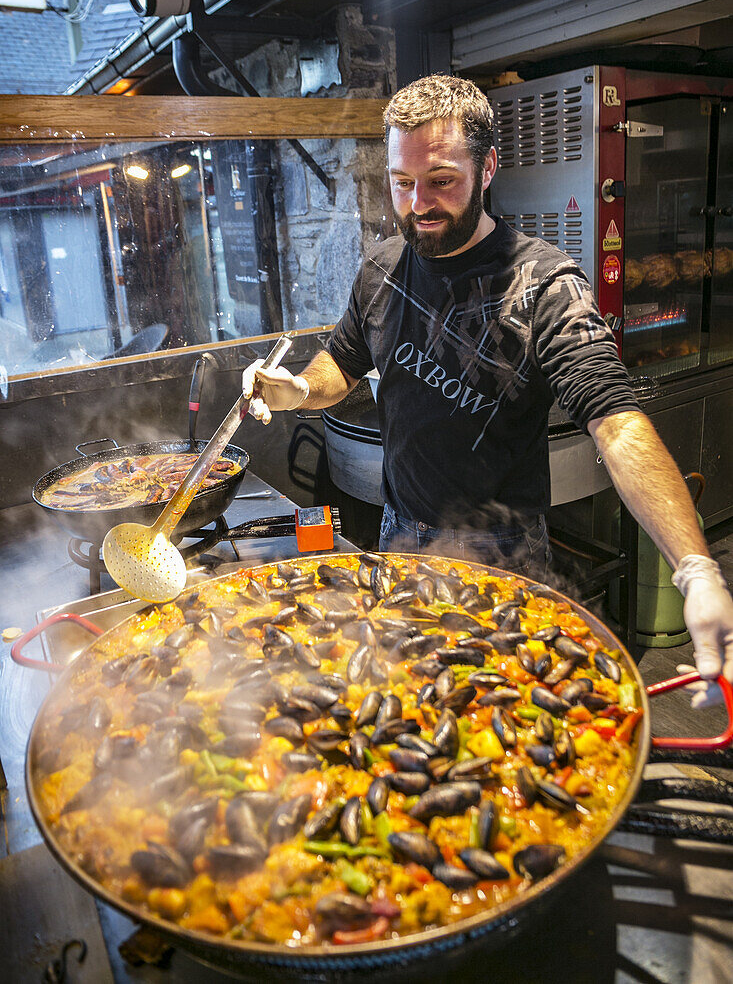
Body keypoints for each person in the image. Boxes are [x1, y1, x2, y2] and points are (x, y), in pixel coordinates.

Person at [242, 73, 733, 703]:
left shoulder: (545, 285)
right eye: (402, 182)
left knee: (494, 713)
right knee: (411, 708)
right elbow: (341, 362)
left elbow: (616, 421)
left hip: (503, 553)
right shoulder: (381, 270)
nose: (418, 202)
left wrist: (694, 570)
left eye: (441, 180)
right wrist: (298, 391)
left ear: (489, 166)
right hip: (400, 535)